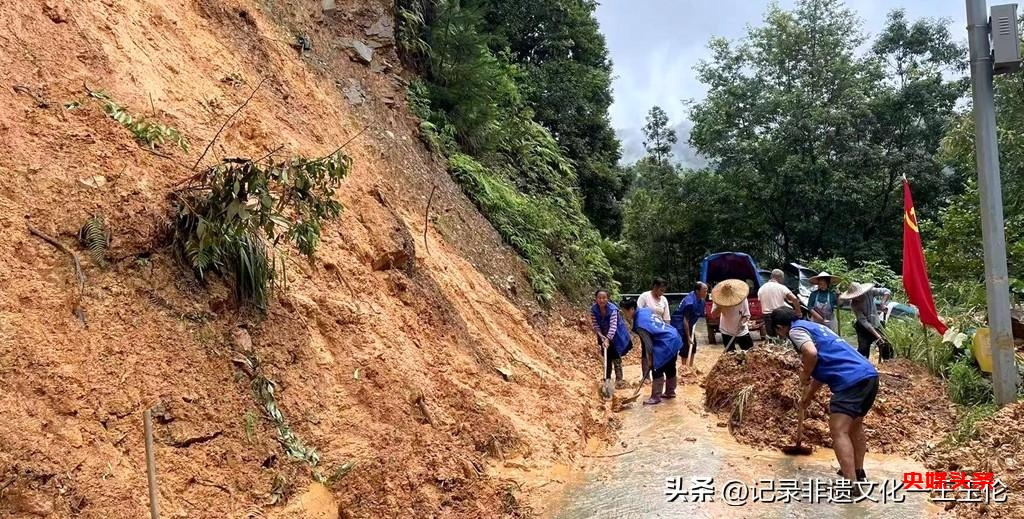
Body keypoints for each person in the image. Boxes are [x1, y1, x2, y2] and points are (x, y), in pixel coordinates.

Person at [770, 307, 879, 486]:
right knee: (855, 426)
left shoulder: (795, 331)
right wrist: (809, 396)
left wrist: (805, 374)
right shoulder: (816, 327)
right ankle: (858, 473)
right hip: (868, 376)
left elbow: (811, 353)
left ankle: (851, 483)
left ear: (779, 327)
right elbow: (822, 369)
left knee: (839, 430)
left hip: (850, 380)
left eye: (778, 331)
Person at [620, 299, 682, 405]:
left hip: (665, 341)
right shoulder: (645, 311)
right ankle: (670, 392)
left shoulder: (640, 324)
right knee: (670, 367)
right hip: (674, 337)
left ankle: (655, 397)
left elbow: (648, 344)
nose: (625, 315)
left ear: (632, 309)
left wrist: (650, 360)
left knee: (657, 368)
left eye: (625, 312)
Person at [589, 289, 633, 390]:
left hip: (616, 334)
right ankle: (607, 380)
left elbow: (613, 326)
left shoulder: (613, 309)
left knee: (616, 355)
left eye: (604, 298)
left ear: (608, 299)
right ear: (596, 299)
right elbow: (595, 324)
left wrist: (608, 339)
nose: (601, 300)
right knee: (606, 356)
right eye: (599, 298)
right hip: (603, 333)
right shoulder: (593, 309)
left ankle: (619, 380)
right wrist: (601, 336)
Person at [840, 282, 893, 361]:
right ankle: (863, 364)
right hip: (863, 328)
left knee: (886, 345)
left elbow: (887, 291)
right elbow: (864, 322)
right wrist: (877, 336)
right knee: (863, 349)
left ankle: (887, 363)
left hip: (876, 323)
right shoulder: (854, 304)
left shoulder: (869, 292)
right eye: (854, 296)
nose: (857, 297)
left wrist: (882, 303)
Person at [710, 279, 754, 352]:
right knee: (730, 354)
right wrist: (721, 305)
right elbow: (714, 315)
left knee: (750, 352)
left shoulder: (741, 298)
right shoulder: (718, 299)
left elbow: (746, 315)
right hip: (726, 330)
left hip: (741, 330)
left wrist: (742, 323)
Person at [671, 282, 708, 365]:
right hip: (680, 325)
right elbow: (685, 320)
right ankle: (684, 367)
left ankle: (690, 367)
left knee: (693, 346)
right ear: (697, 291)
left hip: (689, 324)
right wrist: (688, 337)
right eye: (704, 291)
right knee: (685, 347)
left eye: (707, 291)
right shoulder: (690, 302)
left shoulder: (700, 299)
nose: (706, 293)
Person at [758, 269, 802, 337]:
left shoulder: (761, 288)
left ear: (771, 276)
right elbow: (794, 299)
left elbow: (760, 303)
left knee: (772, 338)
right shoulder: (781, 287)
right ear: (780, 278)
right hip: (780, 316)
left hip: (767, 317)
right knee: (783, 336)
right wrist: (798, 312)